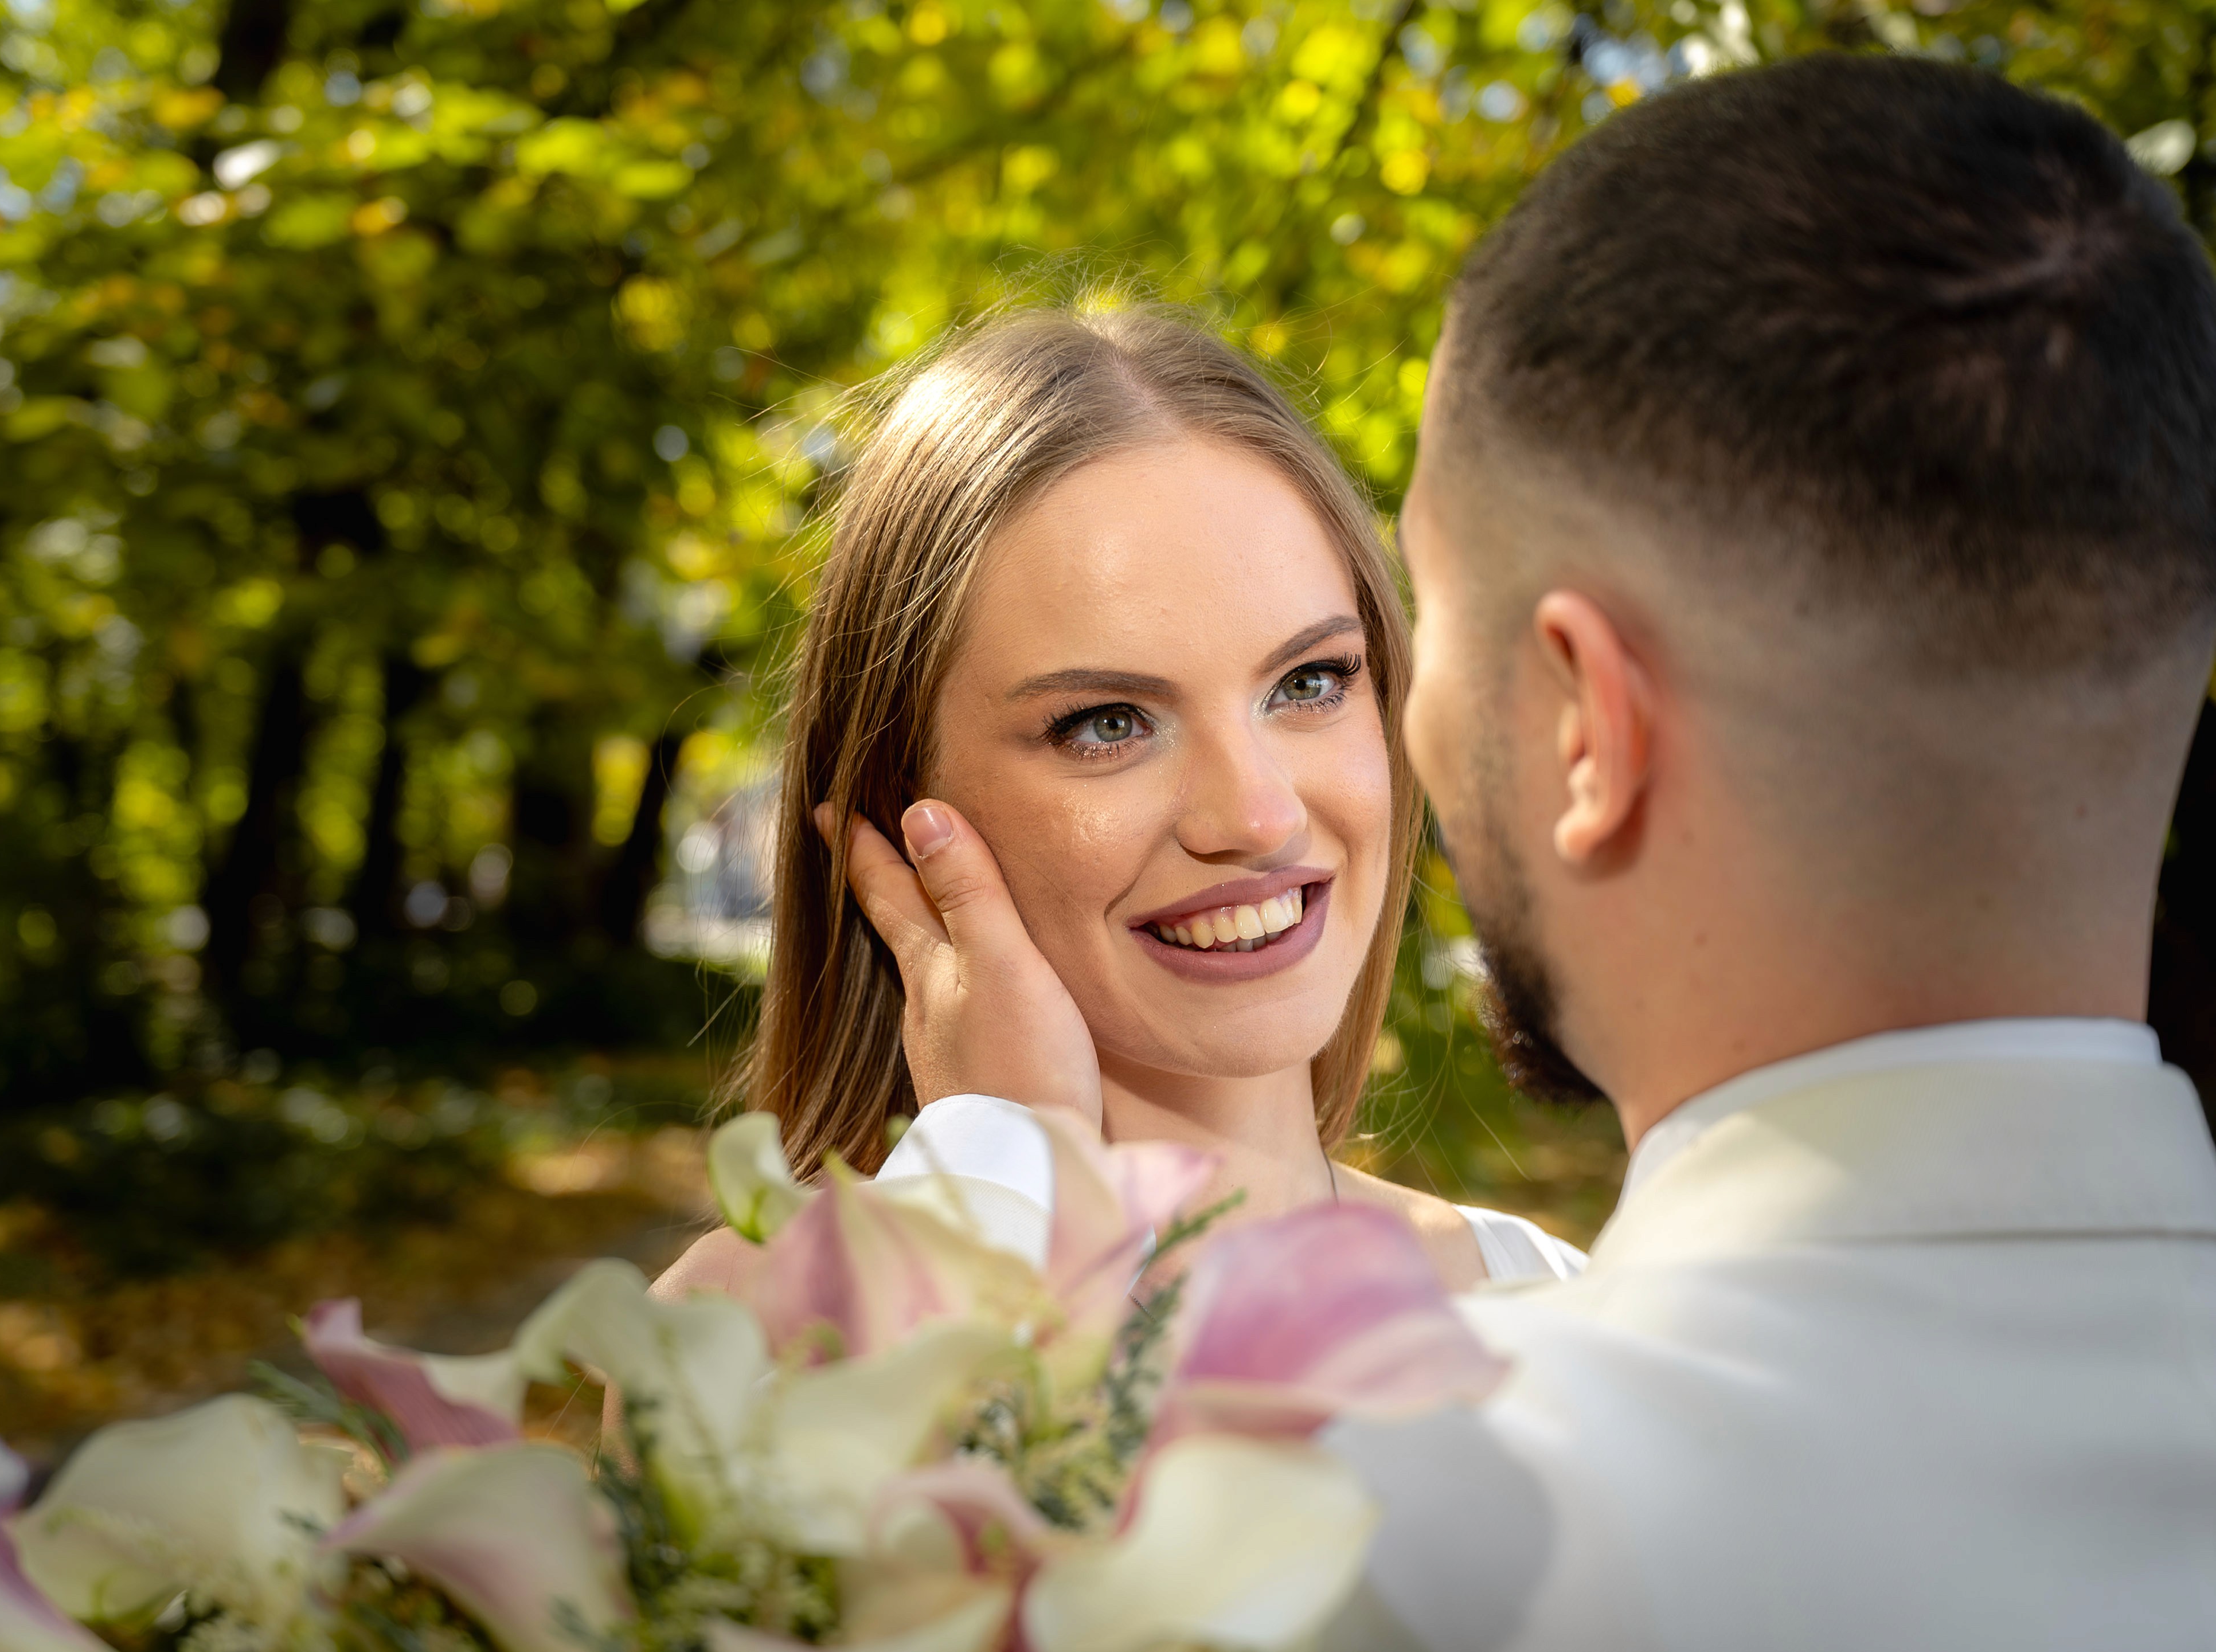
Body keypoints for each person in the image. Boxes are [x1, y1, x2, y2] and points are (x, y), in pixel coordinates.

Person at [867, 55, 2216, 1650]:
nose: (1254, 811)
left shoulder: (1411, 1521)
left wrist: (994, 1191)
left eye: (1330, 674)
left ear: (1591, 719)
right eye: (1103, 720)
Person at [654, 303, 1585, 1303]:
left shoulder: (1568, 1302)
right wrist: (1012, 1165)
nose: (1259, 817)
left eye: (1310, 682)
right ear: (899, 808)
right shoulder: (753, 1337)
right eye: (1106, 722)